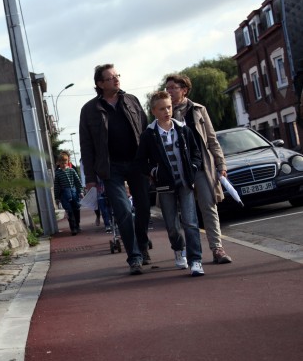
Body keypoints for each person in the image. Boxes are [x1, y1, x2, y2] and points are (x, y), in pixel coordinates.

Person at [79, 64, 151, 275]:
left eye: (117, 76)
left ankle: (143, 245)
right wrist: (90, 178)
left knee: (144, 209)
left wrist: (152, 165)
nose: (116, 80)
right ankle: (135, 258)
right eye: (110, 78)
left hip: (137, 163)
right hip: (112, 169)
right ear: (100, 84)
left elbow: (146, 133)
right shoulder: (89, 110)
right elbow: (86, 146)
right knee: (123, 211)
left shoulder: (132, 101)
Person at [165, 74, 233, 264]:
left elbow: (212, 140)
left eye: (172, 88)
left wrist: (221, 165)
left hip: (201, 166)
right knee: (180, 214)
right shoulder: (164, 112)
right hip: (177, 170)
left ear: (184, 90)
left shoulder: (198, 110)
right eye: (167, 88)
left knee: (208, 206)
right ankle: (183, 250)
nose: (169, 91)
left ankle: (217, 248)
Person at [136, 91, 205, 276]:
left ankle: (196, 260)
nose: (167, 111)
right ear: (154, 111)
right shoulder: (149, 135)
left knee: (190, 222)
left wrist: (192, 167)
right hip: (165, 186)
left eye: (169, 107)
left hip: (185, 183)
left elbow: (196, 152)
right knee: (172, 225)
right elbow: (141, 162)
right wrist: (154, 171)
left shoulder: (183, 129)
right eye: (162, 108)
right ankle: (178, 249)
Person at [54, 153, 83, 235]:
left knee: (76, 209)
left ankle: (77, 225)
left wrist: (80, 191)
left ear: (68, 161)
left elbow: (77, 182)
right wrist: (57, 197)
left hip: (74, 192)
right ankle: (73, 228)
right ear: (58, 163)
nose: (63, 164)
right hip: (64, 194)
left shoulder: (71, 170)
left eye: (65, 162)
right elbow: (56, 186)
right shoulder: (58, 173)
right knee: (69, 211)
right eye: (61, 163)